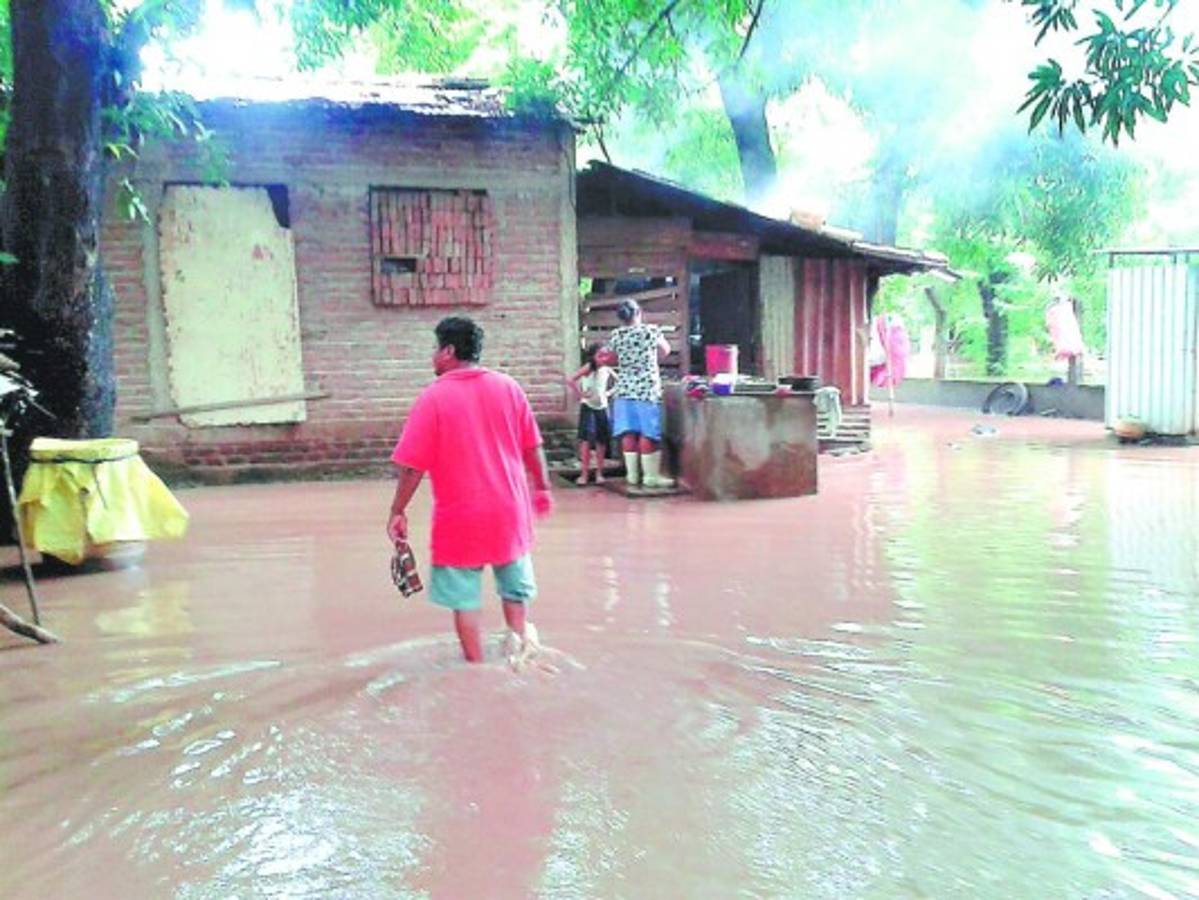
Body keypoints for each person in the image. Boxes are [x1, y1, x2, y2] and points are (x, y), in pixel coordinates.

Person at [386, 316, 553, 664]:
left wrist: (397, 510)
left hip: (461, 518)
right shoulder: (509, 387)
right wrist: (542, 488)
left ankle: (475, 669)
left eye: (435, 348)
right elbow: (532, 447)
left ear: (448, 351)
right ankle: (519, 649)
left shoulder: (433, 398)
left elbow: (412, 467)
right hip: (510, 511)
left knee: (464, 601)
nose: (432, 356)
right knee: (515, 589)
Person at [605, 298, 673, 488]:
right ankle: (651, 477)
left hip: (624, 390)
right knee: (648, 433)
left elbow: (611, 358)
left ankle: (633, 476)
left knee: (628, 432)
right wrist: (649, 358)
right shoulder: (650, 331)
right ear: (638, 313)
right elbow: (665, 350)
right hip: (646, 390)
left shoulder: (616, 335)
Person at [566, 344, 615, 485]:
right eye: (600, 356)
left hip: (602, 407)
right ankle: (584, 474)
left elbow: (619, 380)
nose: (603, 359)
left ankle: (599, 473)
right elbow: (571, 379)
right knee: (586, 440)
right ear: (593, 356)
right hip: (588, 406)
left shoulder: (606, 369)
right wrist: (580, 394)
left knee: (601, 440)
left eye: (606, 356)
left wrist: (609, 393)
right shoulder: (589, 368)